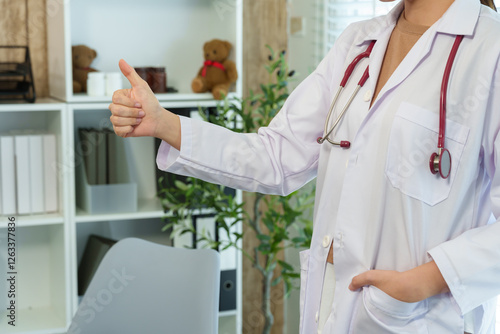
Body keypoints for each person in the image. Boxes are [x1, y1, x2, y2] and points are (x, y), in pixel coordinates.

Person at [109, 0, 500, 332]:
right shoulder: (358, 43)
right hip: (331, 301)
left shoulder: (490, 51)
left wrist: (426, 281)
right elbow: (276, 155)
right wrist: (165, 124)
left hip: (420, 316)